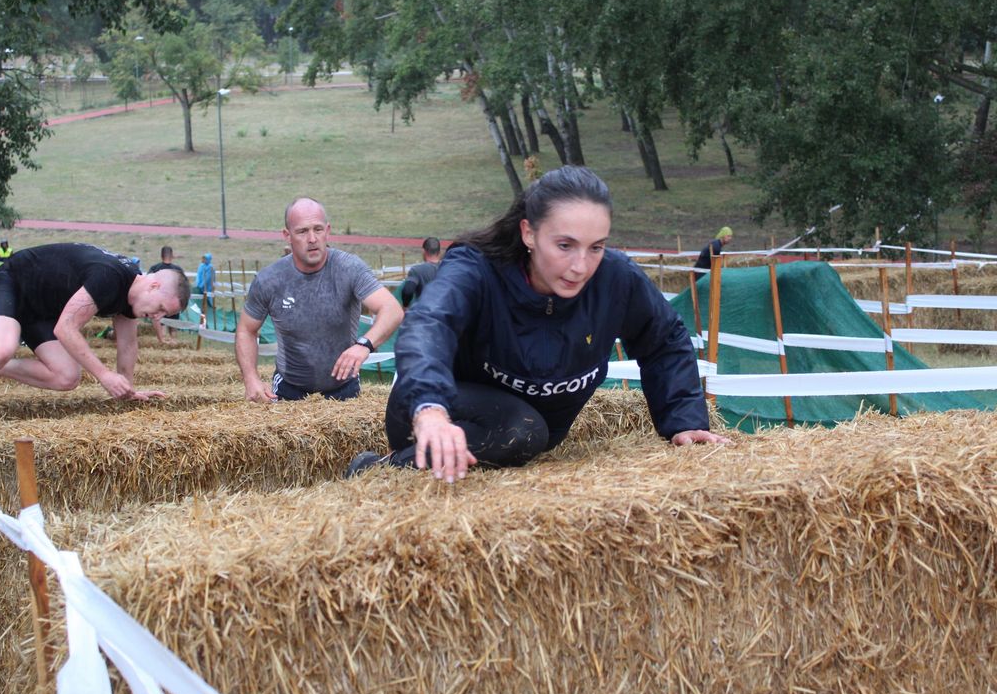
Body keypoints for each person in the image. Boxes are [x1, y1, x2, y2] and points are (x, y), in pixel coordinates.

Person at [348, 166, 728, 482]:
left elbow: (663, 339)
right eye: (565, 245)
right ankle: (378, 471)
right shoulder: (476, 268)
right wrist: (430, 408)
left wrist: (683, 421)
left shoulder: (616, 279)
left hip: (530, 431)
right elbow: (430, 324)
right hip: (433, 412)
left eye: (595, 247)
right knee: (525, 429)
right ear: (528, 233)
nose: (581, 266)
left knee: (530, 431)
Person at [0, 242, 191, 428]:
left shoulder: (132, 297)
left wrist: (127, 391)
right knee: (1, 349)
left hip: (41, 310)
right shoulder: (109, 277)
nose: (157, 317)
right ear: (154, 286)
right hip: (12, 283)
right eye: (160, 308)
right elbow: (65, 328)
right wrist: (105, 375)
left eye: (163, 315)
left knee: (67, 377)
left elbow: (127, 344)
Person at [235, 197, 404, 402]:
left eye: (318, 229)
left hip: (344, 389)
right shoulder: (269, 280)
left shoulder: (349, 269)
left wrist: (364, 345)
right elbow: (246, 330)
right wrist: (251, 378)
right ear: (287, 235)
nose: (312, 238)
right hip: (289, 390)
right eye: (302, 231)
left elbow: (392, 309)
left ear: (328, 231)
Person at [148, 247, 186, 344]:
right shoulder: (178, 270)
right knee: (173, 327)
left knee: (161, 323)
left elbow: (148, 285)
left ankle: (163, 344)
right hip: (173, 303)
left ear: (161, 256)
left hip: (159, 303)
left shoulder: (155, 269)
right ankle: (173, 344)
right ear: (172, 256)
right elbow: (184, 288)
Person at [400, 237, 443, 308]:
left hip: (424, 313)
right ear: (439, 252)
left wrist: (405, 306)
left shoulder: (416, 270)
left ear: (424, 251)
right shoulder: (449, 268)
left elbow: (408, 291)